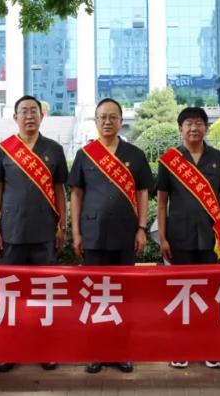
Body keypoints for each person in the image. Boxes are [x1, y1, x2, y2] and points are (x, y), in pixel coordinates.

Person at [68, 98, 153, 375]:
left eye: (113, 117)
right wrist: (76, 232)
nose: (107, 122)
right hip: (93, 235)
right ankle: (96, 351)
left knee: (123, 294)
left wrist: (142, 228)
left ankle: (122, 351)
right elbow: (76, 194)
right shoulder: (85, 155)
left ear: (120, 121)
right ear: (95, 121)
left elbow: (142, 193)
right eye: (102, 117)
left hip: (126, 234)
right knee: (94, 293)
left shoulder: (135, 154)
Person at [0, 95, 67, 373]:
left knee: (45, 295)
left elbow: (60, 191)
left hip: (45, 234)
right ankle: (9, 350)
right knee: (11, 295)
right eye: (24, 111)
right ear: (15, 117)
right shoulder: (4, 150)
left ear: (42, 116)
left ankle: (47, 350)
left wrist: (62, 226)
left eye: (34, 111)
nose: (29, 116)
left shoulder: (54, 149)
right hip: (11, 234)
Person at [156, 106, 220, 370]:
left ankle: (210, 347)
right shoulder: (170, 160)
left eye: (199, 123)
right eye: (188, 123)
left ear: (206, 128)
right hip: (179, 237)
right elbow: (162, 202)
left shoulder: (219, 159)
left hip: (211, 238)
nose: (193, 128)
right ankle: (180, 347)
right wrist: (162, 237)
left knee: (209, 292)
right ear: (180, 128)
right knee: (181, 293)